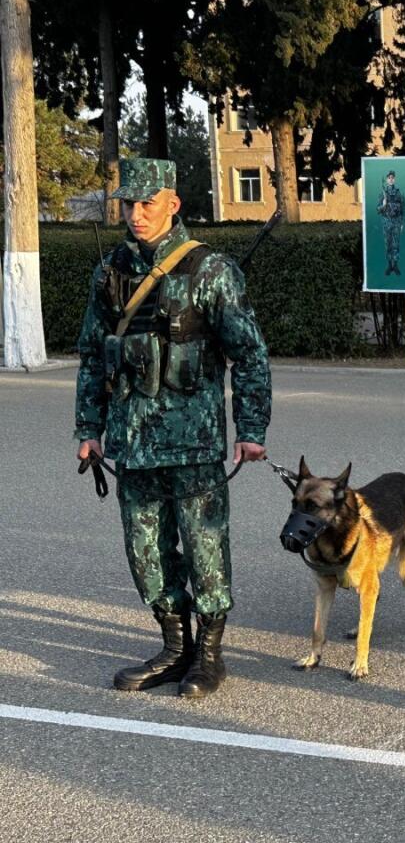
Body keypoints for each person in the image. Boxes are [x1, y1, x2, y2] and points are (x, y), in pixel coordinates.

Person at [74, 157, 271, 698]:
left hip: (194, 441)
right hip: (132, 443)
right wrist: (87, 430)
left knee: (204, 546)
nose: (136, 215)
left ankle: (208, 655)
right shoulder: (110, 271)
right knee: (145, 550)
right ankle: (173, 645)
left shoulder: (211, 270)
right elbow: (93, 356)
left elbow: (249, 355)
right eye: (128, 205)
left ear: (173, 204)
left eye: (147, 204)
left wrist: (251, 428)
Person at [377, 170, 405, 276]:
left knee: (396, 244)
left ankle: (396, 265)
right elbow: (378, 209)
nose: (391, 179)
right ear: (386, 179)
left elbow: (403, 208)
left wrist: (402, 223)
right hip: (387, 222)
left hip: (397, 222)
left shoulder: (399, 192)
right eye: (389, 177)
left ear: (395, 179)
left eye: (392, 177)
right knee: (388, 244)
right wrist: (383, 205)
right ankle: (390, 265)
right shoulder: (383, 193)